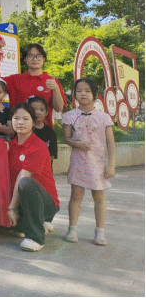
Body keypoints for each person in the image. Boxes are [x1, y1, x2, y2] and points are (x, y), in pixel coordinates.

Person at [62, 79, 115, 246]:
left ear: (94, 94)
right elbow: (67, 138)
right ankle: (72, 229)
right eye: (79, 91)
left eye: (87, 91)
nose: (83, 94)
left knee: (99, 197)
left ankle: (100, 232)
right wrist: (77, 144)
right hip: (78, 161)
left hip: (98, 162)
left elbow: (110, 142)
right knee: (76, 196)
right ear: (74, 94)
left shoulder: (104, 117)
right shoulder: (69, 116)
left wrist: (111, 164)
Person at [7, 103, 60, 252]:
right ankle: (35, 223)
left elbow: (23, 177)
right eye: (16, 118)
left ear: (33, 122)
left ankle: (36, 237)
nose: (20, 122)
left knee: (25, 182)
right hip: (23, 200)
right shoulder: (10, 145)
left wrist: (12, 208)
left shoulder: (38, 146)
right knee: (3, 227)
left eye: (25, 119)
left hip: (45, 201)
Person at [0, 43, 66, 127]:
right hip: (19, 129)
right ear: (25, 59)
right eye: (31, 56)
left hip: (44, 130)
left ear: (44, 59)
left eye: (39, 56)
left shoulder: (52, 81)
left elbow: (59, 109)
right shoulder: (15, 79)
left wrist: (56, 88)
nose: (35, 59)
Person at [29, 96, 57, 167]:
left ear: (46, 112)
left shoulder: (51, 132)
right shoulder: (24, 130)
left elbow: (52, 155)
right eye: (34, 109)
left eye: (42, 110)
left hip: (44, 168)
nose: (38, 112)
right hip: (27, 167)